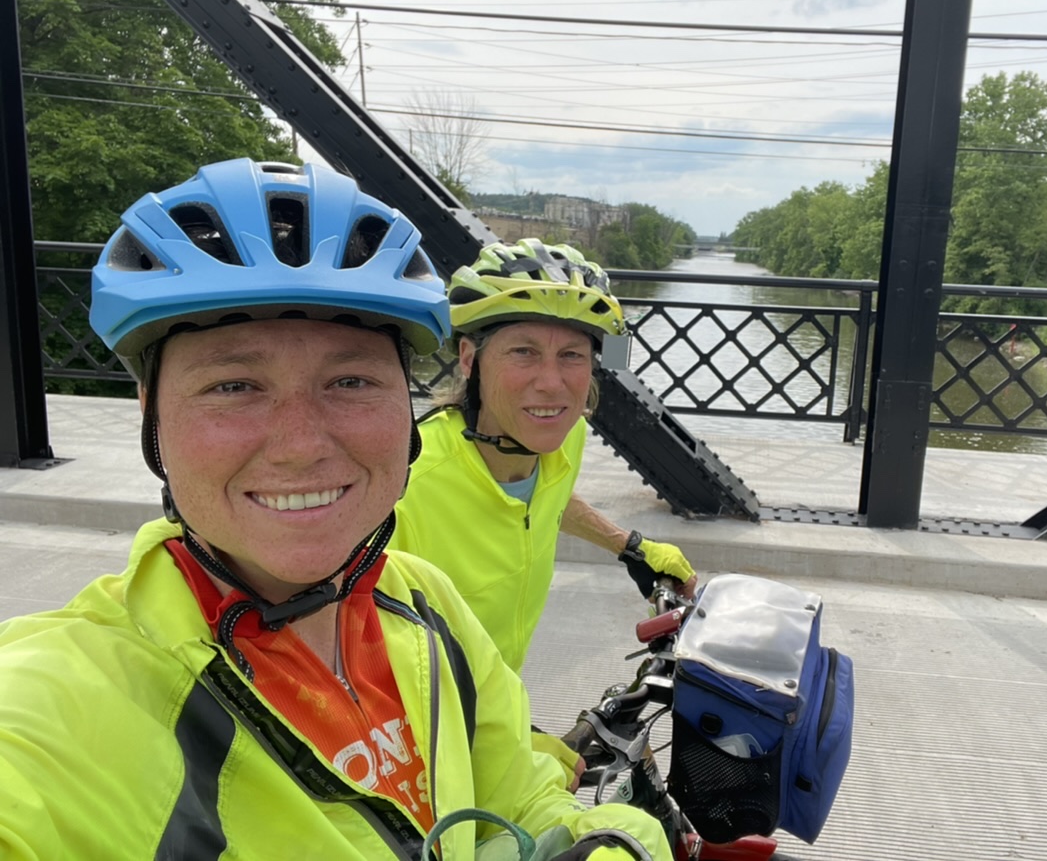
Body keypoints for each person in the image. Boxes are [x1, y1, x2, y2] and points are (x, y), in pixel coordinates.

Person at [0, 160, 670, 861]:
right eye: (234, 384)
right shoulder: (62, 701)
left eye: (350, 380)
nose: (300, 447)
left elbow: (522, 799)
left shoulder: (421, 603)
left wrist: (613, 842)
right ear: (150, 413)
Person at [391, 239, 698, 790]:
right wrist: (505, 736)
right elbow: (354, 656)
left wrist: (629, 546)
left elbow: (547, 498)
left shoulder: (564, 437)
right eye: (524, 352)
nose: (552, 382)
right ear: (469, 359)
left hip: (499, 695)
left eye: (572, 356)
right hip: (421, 740)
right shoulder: (406, 487)